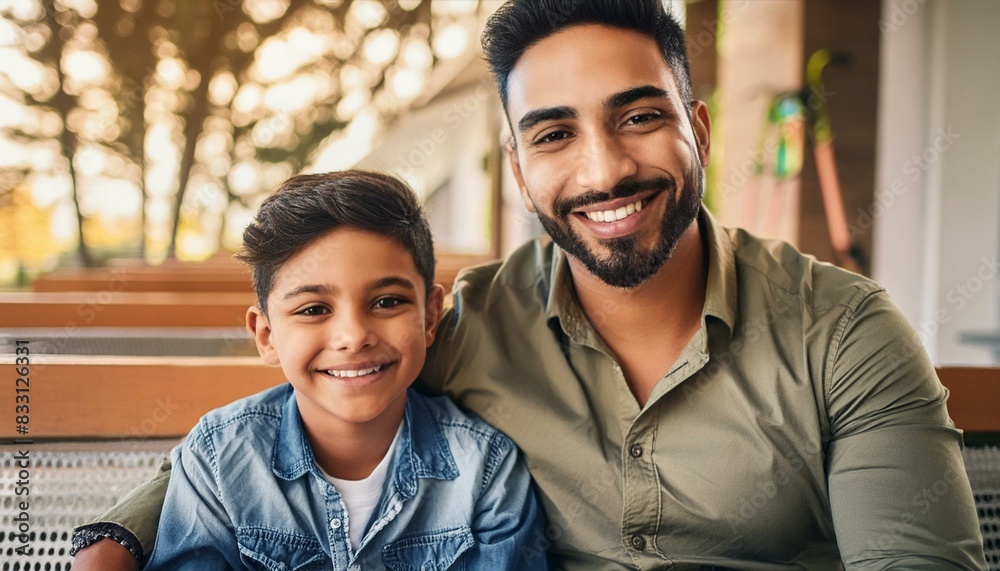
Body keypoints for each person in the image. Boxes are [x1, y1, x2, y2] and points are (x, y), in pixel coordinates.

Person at [72, 1, 988, 569]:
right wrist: (118, 537)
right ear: (517, 167)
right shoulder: (466, 325)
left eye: (639, 116)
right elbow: (282, 427)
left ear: (699, 133)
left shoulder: (844, 329)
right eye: (554, 134)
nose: (604, 168)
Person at [132, 171, 546, 569]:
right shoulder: (219, 458)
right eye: (314, 309)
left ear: (430, 317)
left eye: (387, 302)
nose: (353, 336)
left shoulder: (486, 470)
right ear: (266, 336)